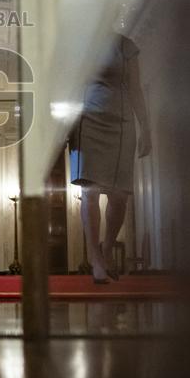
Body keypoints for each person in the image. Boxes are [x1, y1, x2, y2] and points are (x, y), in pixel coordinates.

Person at [70, 33, 152, 283]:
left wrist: (146, 128)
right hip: (87, 120)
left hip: (121, 122)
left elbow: (136, 88)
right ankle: (95, 260)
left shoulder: (126, 45)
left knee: (120, 196)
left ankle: (106, 251)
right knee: (90, 192)